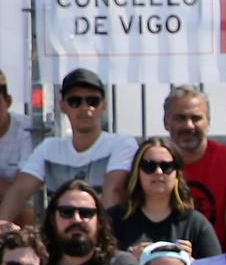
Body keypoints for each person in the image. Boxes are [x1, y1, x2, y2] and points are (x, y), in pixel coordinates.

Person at [0, 68, 135, 224]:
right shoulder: (49, 148)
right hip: (60, 239)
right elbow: (19, 191)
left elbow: (113, 191)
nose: (85, 108)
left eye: (93, 101)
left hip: (105, 235)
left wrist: (103, 239)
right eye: (75, 101)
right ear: (63, 106)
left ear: (103, 106)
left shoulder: (121, 144)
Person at [110, 138, 221, 258]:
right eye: (149, 166)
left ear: (177, 174)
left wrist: (192, 264)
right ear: (137, 172)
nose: (158, 172)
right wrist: (129, 260)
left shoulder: (196, 224)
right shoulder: (113, 220)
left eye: (166, 166)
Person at [162, 85, 226, 228]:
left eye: (196, 118)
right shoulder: (152, 164)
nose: (189, 125)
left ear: (208, 122)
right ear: (166, 122)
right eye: (180, 118)